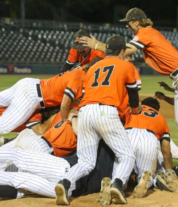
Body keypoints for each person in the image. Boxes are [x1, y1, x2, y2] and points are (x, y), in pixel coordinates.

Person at [81, 8, 178, 178]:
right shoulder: (147, 34)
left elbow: (124, 51)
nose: (128, 27)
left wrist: (97, 45)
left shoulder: (146, 32)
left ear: (136, 21)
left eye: (129, 23)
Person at [54, 35, 140, 205]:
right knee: (127, 156)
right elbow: (133, 94)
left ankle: (64, 182)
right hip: (106, 111)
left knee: (86, 161)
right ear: (122, 51)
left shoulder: (93, 66)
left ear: (107, 50)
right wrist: (135, 111)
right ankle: (117, 184)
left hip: (85, 112)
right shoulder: (126, 65)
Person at [0, 66, 84, 135]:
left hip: (29, 83)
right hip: (33, 95)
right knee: (2, 127)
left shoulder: (78, 70)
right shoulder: (80, 78)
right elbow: (64, 106)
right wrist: (63, 123)